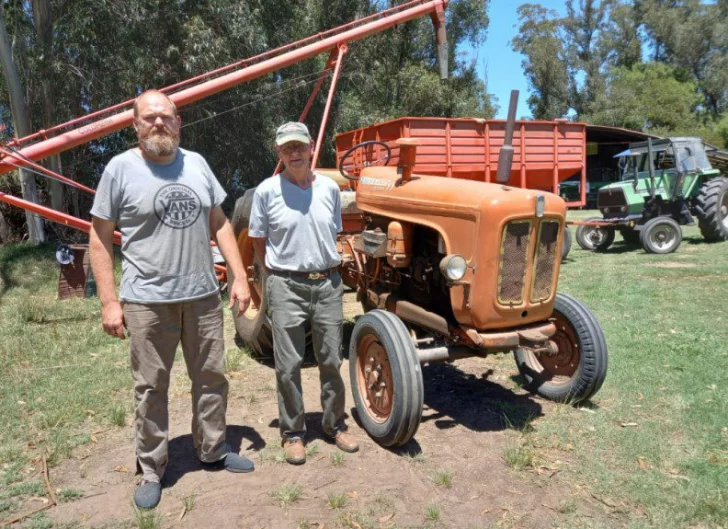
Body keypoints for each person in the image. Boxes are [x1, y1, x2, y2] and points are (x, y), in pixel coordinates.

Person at [89, 90, 254, 510]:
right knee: (150, 388)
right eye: (149, 118)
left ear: (179, 122)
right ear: (135, 125)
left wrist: (239, 276)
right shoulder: (119, 169)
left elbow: (218, 223)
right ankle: (151, 468)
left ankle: (213, 449)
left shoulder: (196, 163)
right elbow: (99, 236)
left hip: (201, 298)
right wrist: (110, 301)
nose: (158, 124)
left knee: (212, 378)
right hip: (146, 302)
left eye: (166, 117)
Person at [248, 121, 359, 465]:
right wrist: (269, 275)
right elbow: (257, 238)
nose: (294, 153)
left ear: (311, 147)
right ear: (278, 152)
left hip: (327, 283)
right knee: (288, 363)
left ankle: (334, 424)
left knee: (331, 359)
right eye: (287, 148)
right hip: (285, 284)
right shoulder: (266, 191)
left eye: (300, 146)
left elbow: (334, 232)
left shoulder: (328, 189)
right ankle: (293, 433)